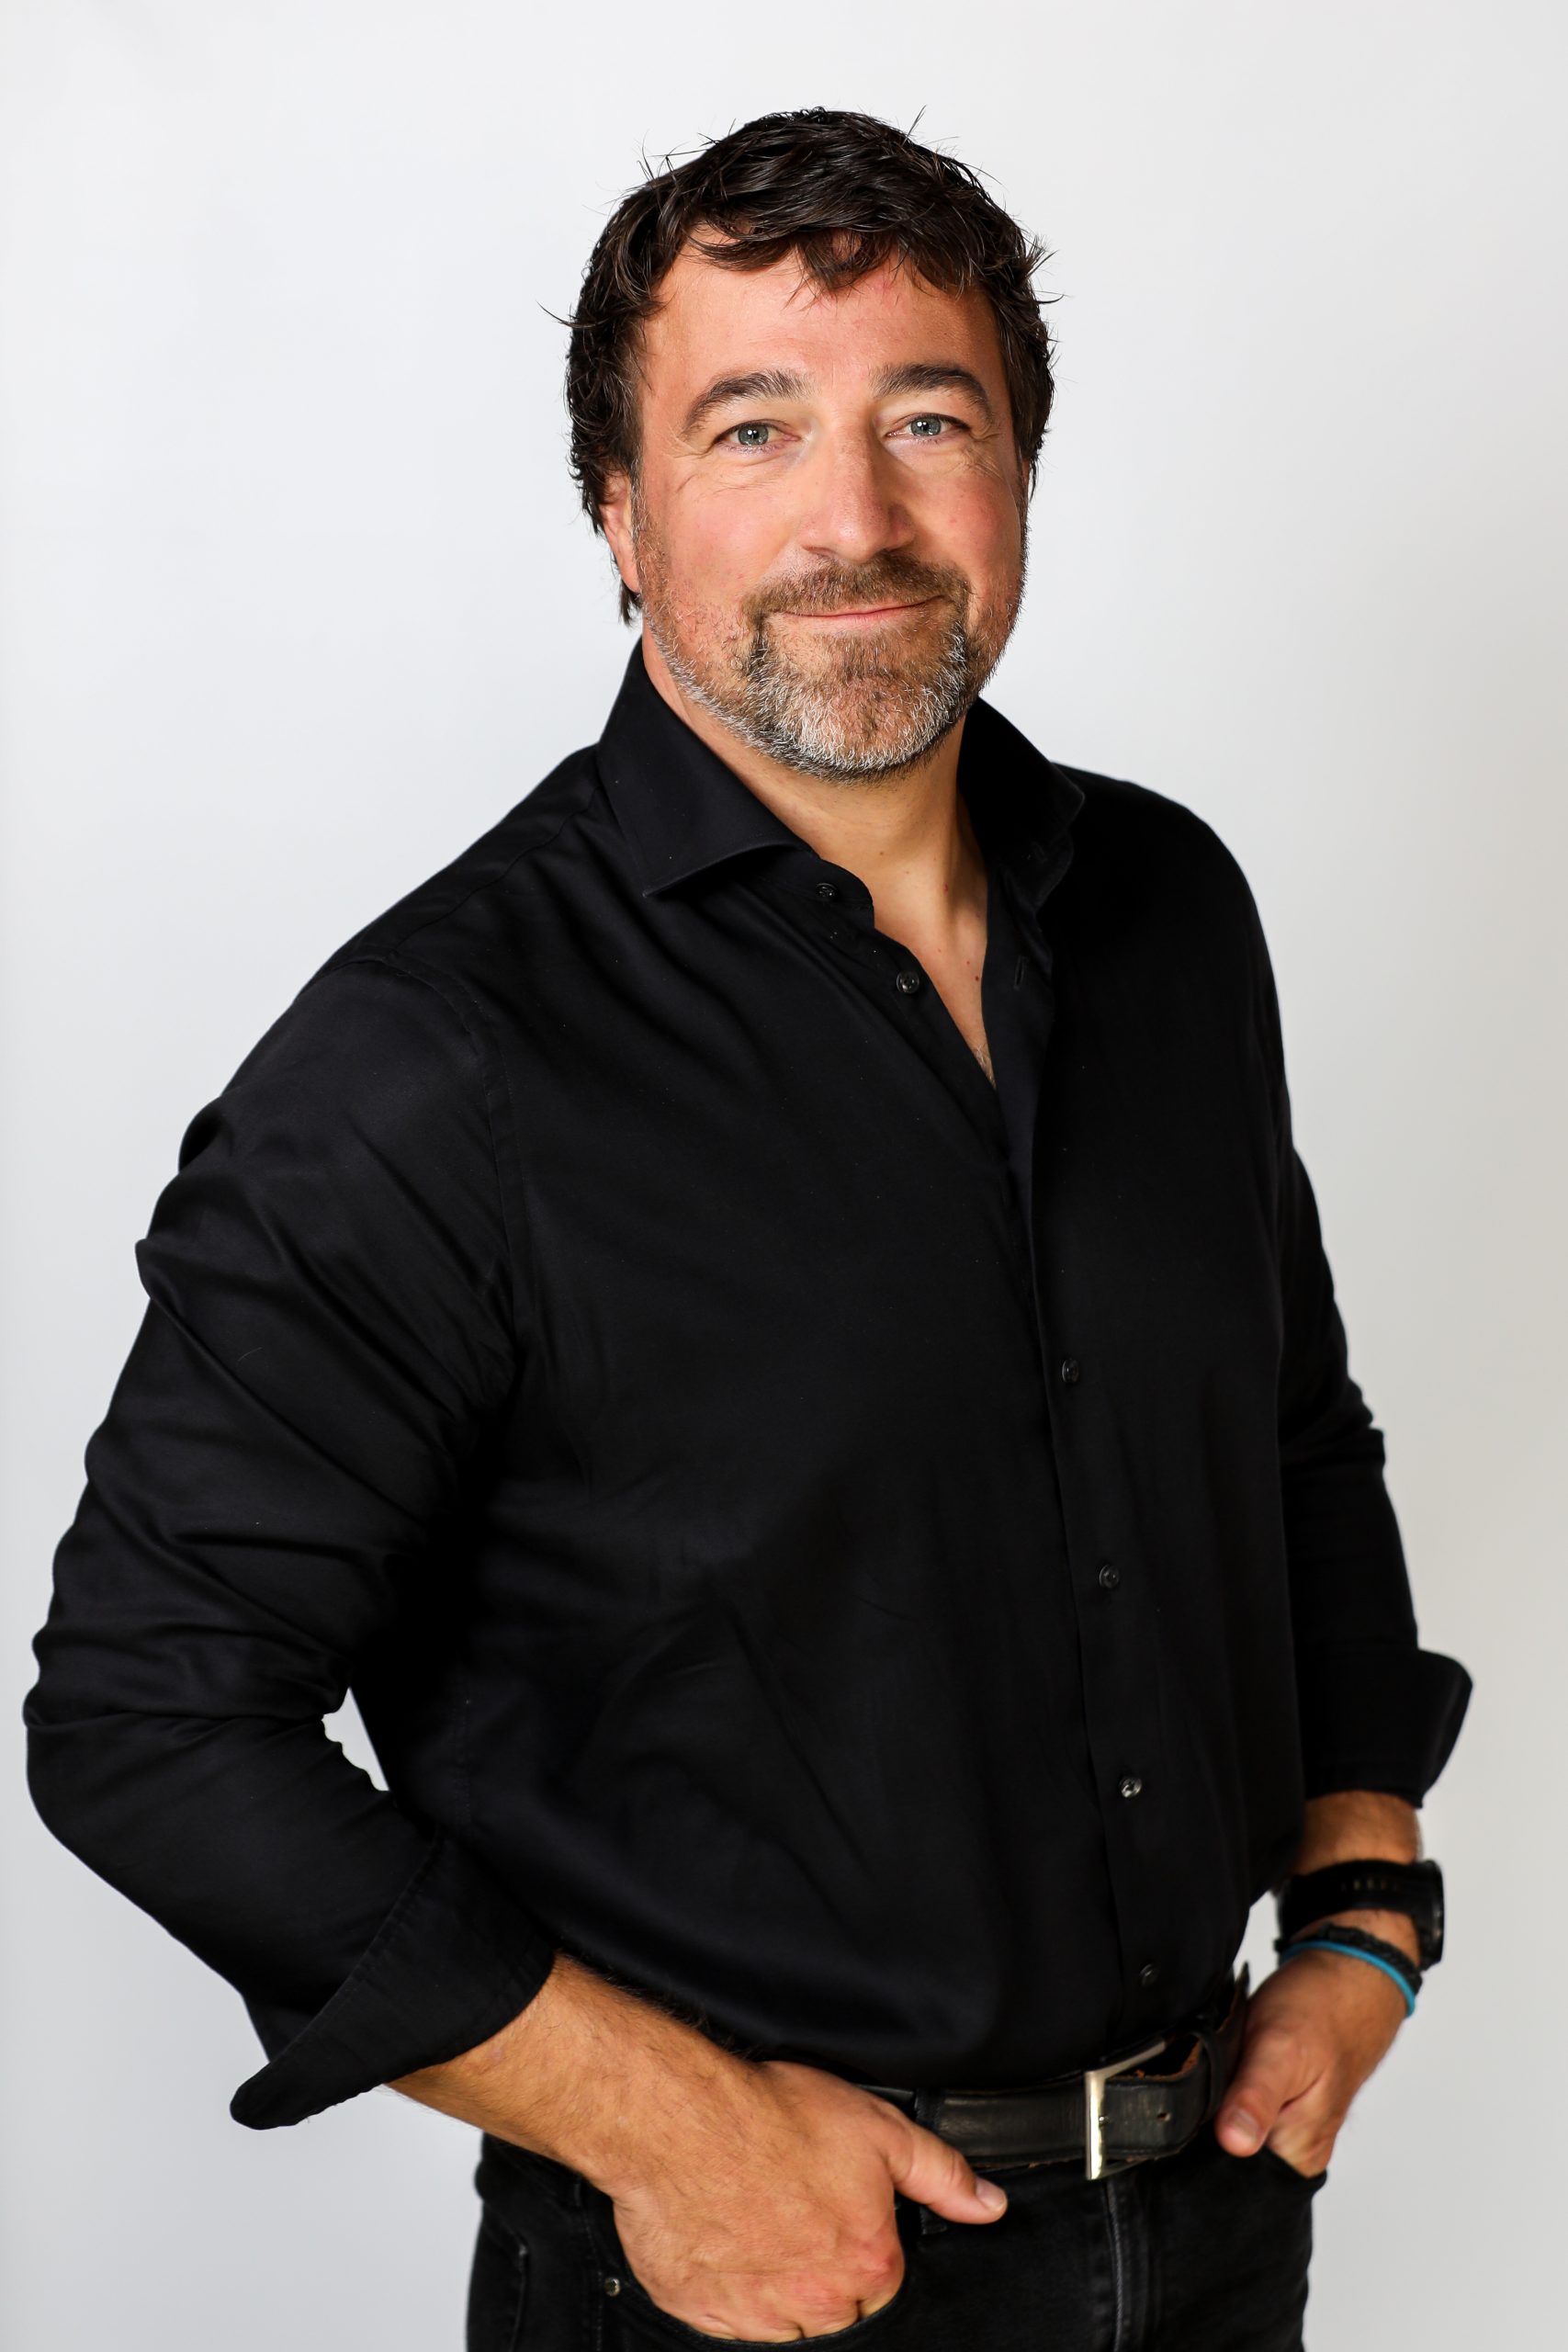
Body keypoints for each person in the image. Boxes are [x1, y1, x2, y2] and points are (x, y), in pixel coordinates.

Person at [24, 107, 1471, 2351]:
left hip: (1216, 2224)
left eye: (928, 418)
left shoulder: (1173, 913)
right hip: (740, 2284)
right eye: (750, 425)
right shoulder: (432, 1061)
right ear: (617, 513)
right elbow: (146, 1710)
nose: (854, 516)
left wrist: (1361, 1896)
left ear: (1016, 471)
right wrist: (672, 2131)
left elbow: (1285, 1434)